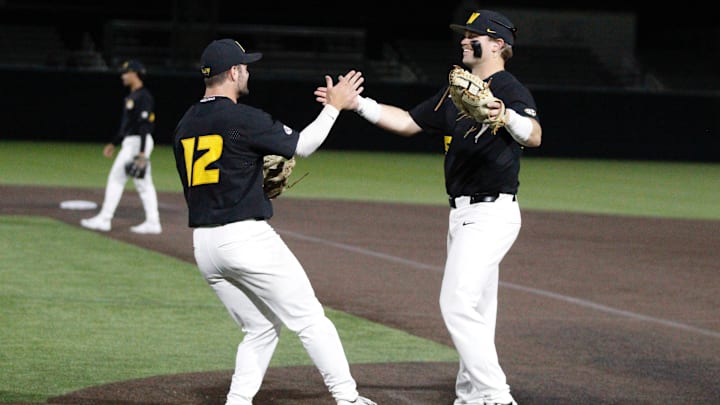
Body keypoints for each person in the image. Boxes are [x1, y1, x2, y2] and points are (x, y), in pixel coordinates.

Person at [316, 9, 541, 405]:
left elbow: (534, 134)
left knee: (454, 303)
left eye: (473, 36)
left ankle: (497, 396)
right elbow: (407, 121)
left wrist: (505, 115)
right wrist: (358, 104)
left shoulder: (506, 86)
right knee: (478, 312)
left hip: (491, 212)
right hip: (462, 214)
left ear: (498, 45)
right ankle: (472, 396)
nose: (463, 41)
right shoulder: (459, 89)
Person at [171, 38, 375, 405]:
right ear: (233, 72)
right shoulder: (241, 118)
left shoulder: (186, 123)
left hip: (204, 245)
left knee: (260, 327)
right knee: (310, 318)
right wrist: (333, 108)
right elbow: (303, 145)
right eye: (245, 66)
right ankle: (348, 398)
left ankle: (237, 401)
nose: (248, 71)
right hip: (245, 238)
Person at [81, 59, 162, 234]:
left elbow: (143, 125)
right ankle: (153, 222)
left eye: (126, 72)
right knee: (143, 183)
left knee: (116, 179)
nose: (123, 76)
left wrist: (141, 152)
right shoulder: (133, 96)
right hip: (132, 141)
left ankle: (105, 219)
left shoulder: (143, 96)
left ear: (135, 74)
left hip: (137, 143)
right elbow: (128, 125)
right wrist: (114, 143)